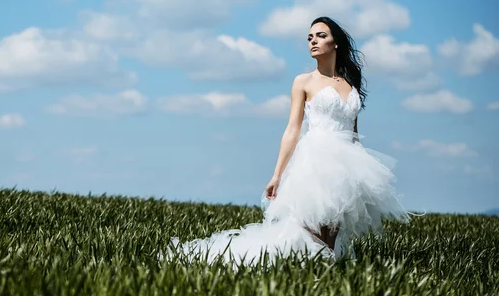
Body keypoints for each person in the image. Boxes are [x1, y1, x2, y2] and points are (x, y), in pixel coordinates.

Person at [161, 16, 423, 269]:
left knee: (333, 229)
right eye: (310, 37)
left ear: (336, 43)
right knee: (311, 226)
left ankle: (325, 268)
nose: (313, 41)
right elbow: (292, 129)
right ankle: (302, 266)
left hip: (347, 164)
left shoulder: (349, 84)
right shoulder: (303, 81)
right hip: (317, 158)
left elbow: (353, 130)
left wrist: (361, 172)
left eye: (321, 36)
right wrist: (277, 174)